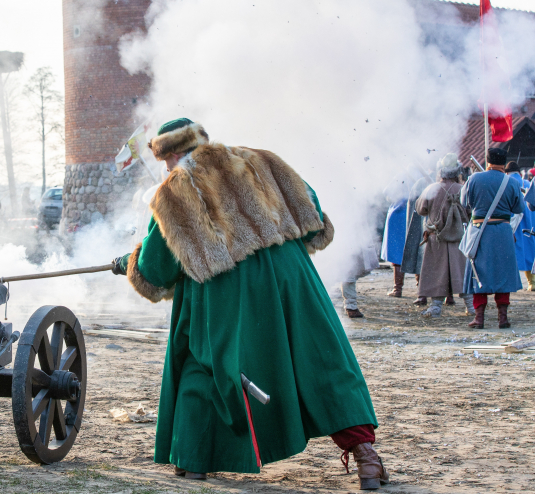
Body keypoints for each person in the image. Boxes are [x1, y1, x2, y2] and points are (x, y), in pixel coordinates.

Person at [112, 119, 388, 490]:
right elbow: (310, 211)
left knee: (205, 365)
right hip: (290, 276)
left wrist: (130, 262)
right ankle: (366, 459)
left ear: (175, 154)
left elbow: (157, 268)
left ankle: (194, 459)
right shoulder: (259, 159)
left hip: (223, 289)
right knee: (322, 360)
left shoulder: (173, 190)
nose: (167, 169)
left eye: (167, 161)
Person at [462, 148, 525, 329]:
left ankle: (479, 318)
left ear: (487, 161)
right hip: (503, 232)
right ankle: (503, 318)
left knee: (478, 274)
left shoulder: (473, 179)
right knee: (503, 274)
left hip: (480, 231)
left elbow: (464, 202)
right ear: (504, 163)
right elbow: (519, 208)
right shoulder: (511, 182)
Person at [414, 154, 473, 317]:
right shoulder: (463, 189)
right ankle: (471, 306)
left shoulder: (431, 188)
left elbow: (420, 209)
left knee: (436, 273)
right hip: (459, 238)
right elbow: (470, 211)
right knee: (461, 273)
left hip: (436, 237)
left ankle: (436, 308)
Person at [401, 172, 432, 306]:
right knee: (421, 257)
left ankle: (445, 296)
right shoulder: (421, 183)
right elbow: (416, 205)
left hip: (436, 225)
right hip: (423, 223)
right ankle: (422, 293)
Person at [504, 161, 535, 291]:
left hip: (510, 221)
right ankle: (531, 281)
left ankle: (508, 282)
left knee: (509, 252)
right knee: (529, 249)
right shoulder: (527, 183)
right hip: (529, 222)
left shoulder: (505, 183)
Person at [381, 176, 408, 297]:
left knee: (398, 253)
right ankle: (418, 292)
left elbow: (387, 191)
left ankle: (398, 289)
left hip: (399, 214)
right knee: (398, 253)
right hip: (404, 213)